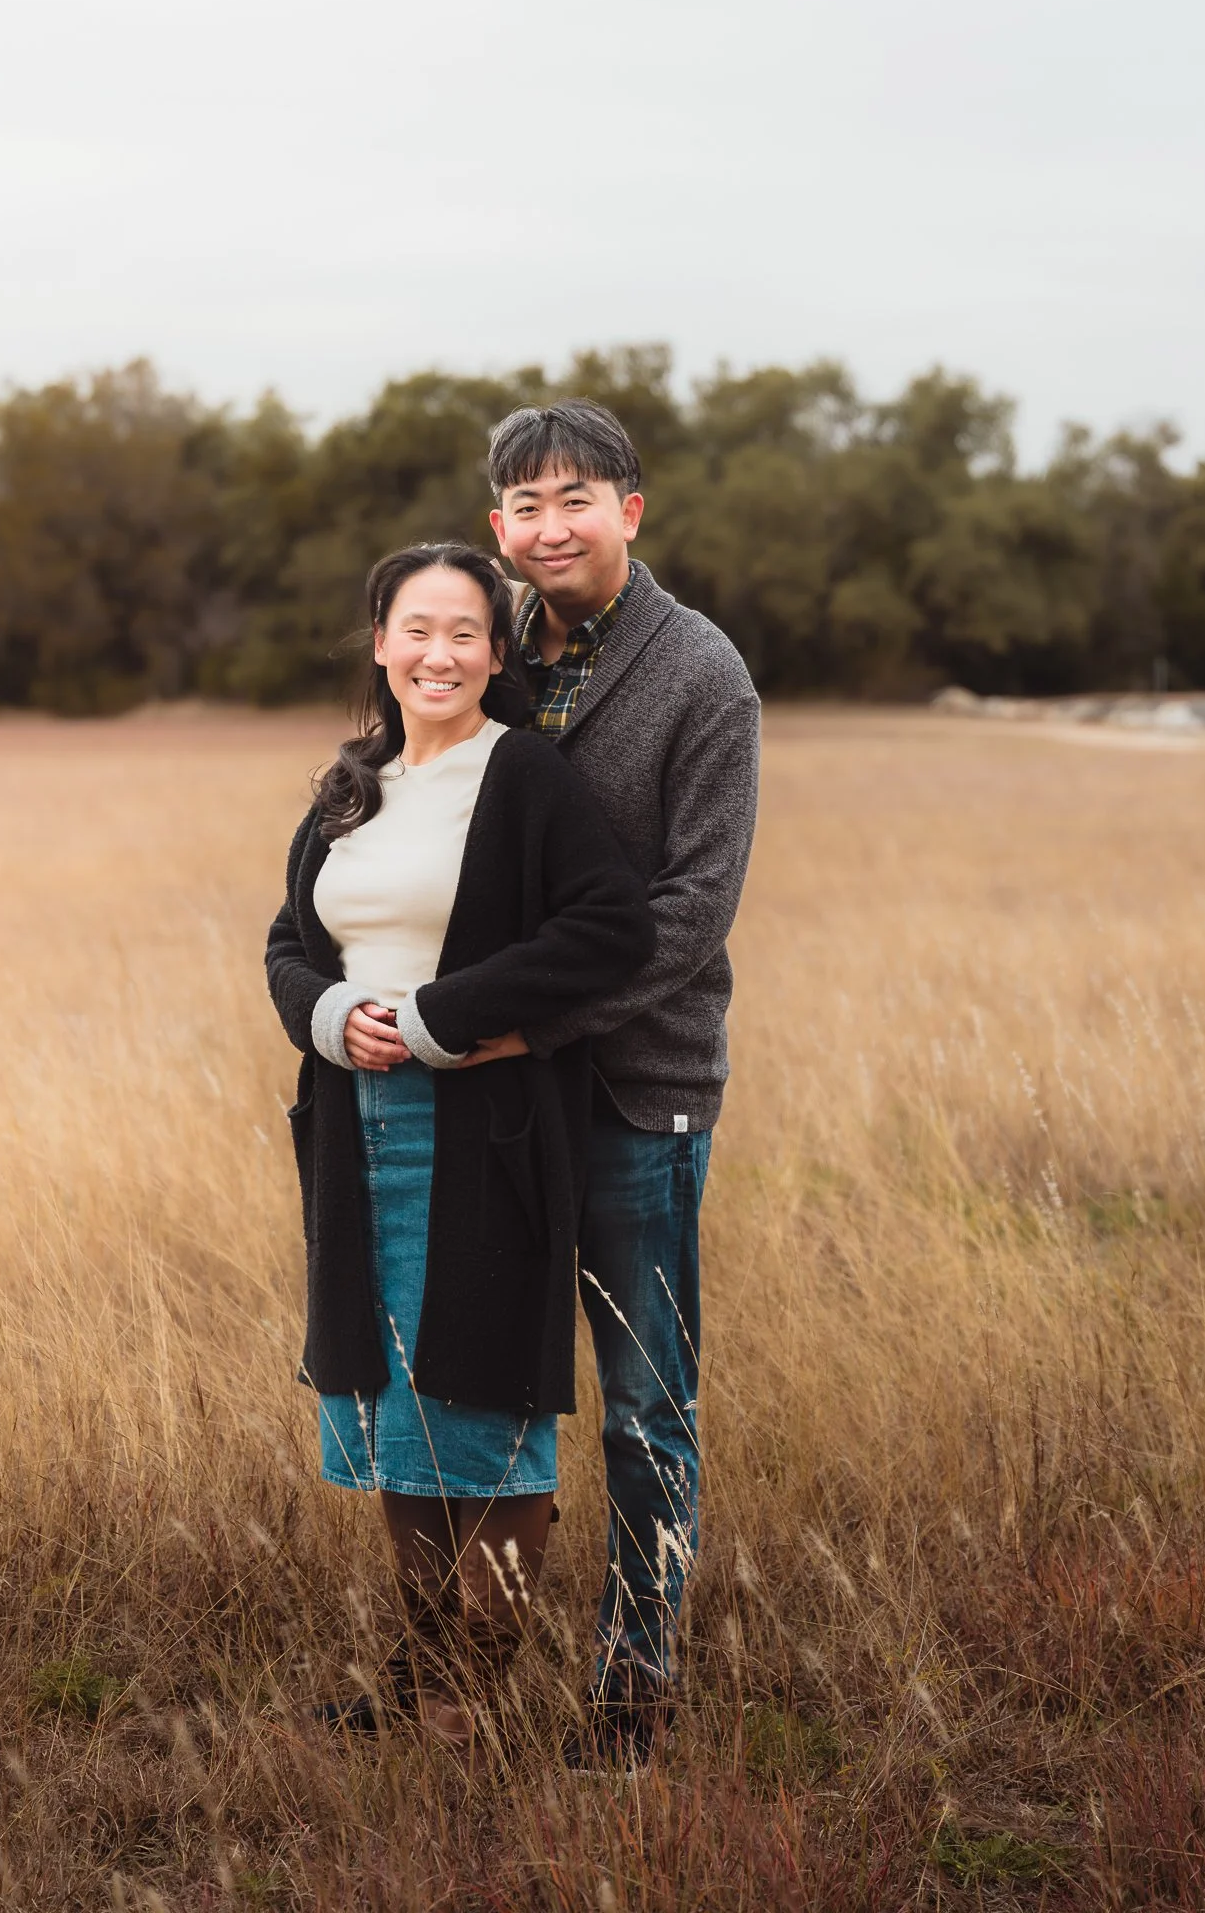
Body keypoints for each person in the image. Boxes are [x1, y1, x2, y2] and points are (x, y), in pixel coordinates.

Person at [264, 540, 654, 1746]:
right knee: (390, 1407)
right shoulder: (349, 781)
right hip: (352, 1135)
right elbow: (290, 940)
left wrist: (445, 1016)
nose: (440, 653)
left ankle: (463, 1707)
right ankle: (423, 1670)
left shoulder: (524, 773)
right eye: (416, 629)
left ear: (496, 654)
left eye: (467, 634)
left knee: (484, 1410)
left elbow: (612, 929)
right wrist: (330, 1016)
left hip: (482, 1137)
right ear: (380, 641)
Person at [480, 400, 763, 1769]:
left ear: (630, 511)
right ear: (497, 529)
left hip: (636, 1088)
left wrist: (527, 1021)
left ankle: (633, 1693)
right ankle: (459, 1670)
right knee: (484, 1384)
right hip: (487, 1092)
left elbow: (694, 910)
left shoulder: (702, 674)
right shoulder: (482, 652)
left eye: (574, 498)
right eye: (524, 506)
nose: (550, 527)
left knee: (647, 1406)